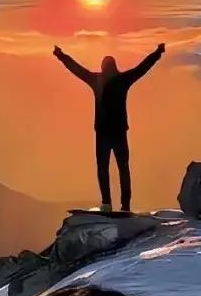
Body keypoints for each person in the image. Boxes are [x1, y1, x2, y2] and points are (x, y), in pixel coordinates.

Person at [53, 42, 165, 213]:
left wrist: (61, 56)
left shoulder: (96, 80)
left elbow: (76, 69)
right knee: (123, 168)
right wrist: (157, 53)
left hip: (102, 133)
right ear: (115, 67)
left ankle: (106, 203)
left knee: (102, 168)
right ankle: (125, 205)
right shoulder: (123, 80)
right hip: (119, 132)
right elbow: (142, 68)